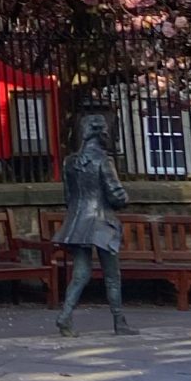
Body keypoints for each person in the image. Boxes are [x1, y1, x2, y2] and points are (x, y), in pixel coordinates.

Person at [56, 109, 135, 336]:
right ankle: (119, 322)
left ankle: (65, 315)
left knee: (81, 273)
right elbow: (116, 194)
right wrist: (123, 199)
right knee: (112, 275)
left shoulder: (69, 162)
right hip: (102, 224)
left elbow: (68, 197)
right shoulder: (104, 160)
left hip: (76, 223)